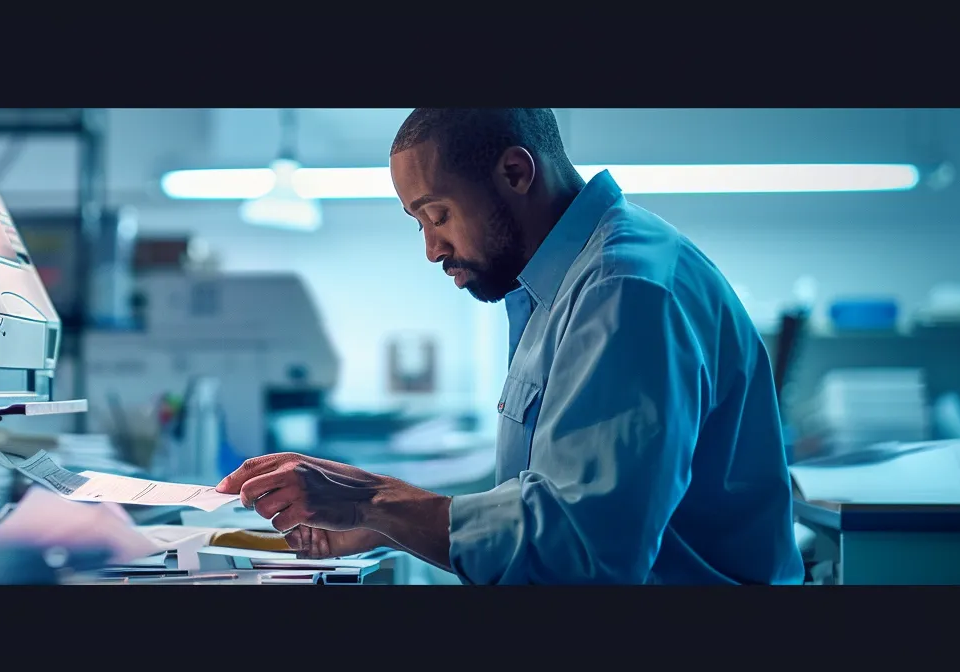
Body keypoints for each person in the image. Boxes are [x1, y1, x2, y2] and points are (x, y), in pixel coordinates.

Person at [214, 108, 803, 585]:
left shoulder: (624, 290)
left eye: (437, 215)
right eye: (418, 223)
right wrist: (385, 523)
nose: (431, 248)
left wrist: (373, 502)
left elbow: (581, 554)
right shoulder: (561, 285)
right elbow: (546, 495)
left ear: (516, 173)